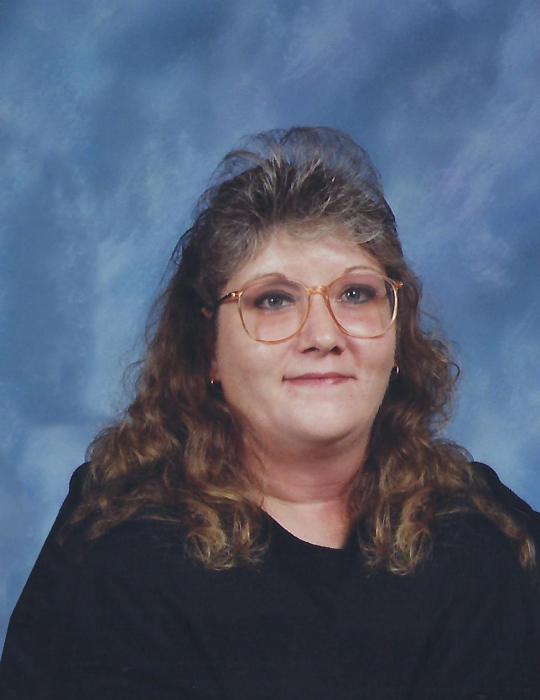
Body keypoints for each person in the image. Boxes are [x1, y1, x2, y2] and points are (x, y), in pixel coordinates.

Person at [1, 127, 539, 699]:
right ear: (209, 348)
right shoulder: (120, 541)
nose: (323, 335)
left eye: (355, 294)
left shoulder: (483, 525)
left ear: (398, 335)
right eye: (273, 300)